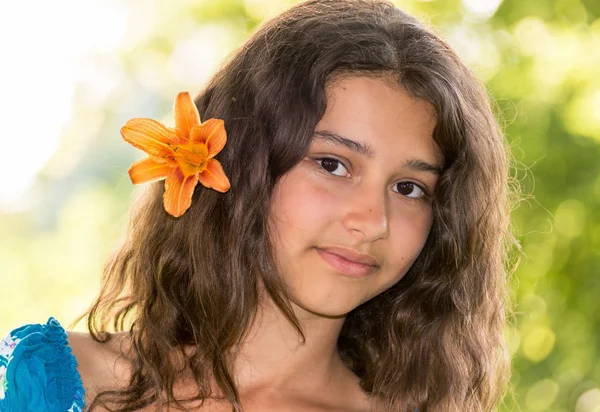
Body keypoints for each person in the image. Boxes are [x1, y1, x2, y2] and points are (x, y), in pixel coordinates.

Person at [0, 0, 517, 410]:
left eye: (409, 188)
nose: (372, 221)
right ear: (243, 164)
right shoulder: (48, 383)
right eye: (333, 165)